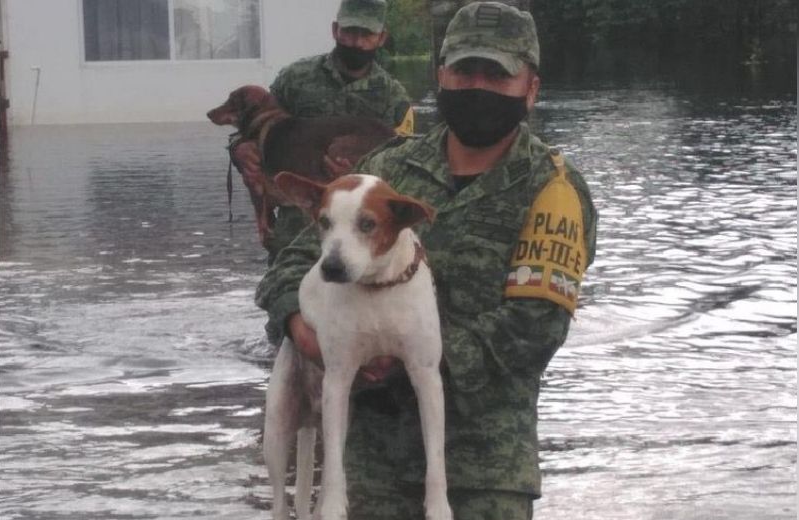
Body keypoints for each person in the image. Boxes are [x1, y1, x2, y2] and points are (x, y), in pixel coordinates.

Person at [256, 2, 598, 518]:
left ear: (530, 88)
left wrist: (396, 360)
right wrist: (299, 324)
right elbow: (295, 259)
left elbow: (530, 333)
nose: (476, 85)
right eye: (463, 70)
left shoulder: (553, 189)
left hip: (481, 481)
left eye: (496, 74)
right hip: (365, 475)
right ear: (440, 74)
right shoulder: (386, 168)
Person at [230, 0, 414, 264]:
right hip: (295, 234)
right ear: (335, 30)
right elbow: (252, 129)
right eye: (349, 32)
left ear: (381, 37)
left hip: (361, 243)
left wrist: (357, 174)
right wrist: (239, 150)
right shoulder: (294, 79)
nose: (356, 42)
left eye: (366, 34)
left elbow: (405, 167)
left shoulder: (394, 98)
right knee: (288, 300)